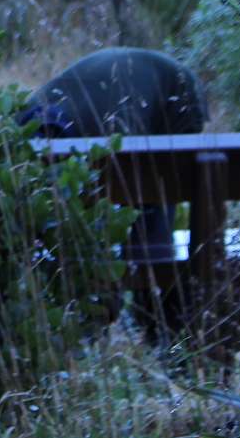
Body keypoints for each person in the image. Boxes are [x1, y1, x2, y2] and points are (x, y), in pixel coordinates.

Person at [21, 47, 208, 333]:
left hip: (165, 97)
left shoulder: (110, 118)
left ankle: (150, 319)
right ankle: (154, 323)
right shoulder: (75, 116)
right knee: (151, 198)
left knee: (153, 196)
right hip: (127, 103)